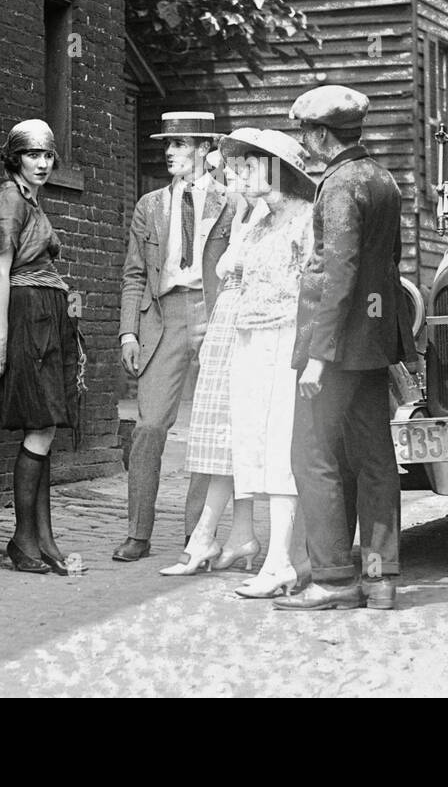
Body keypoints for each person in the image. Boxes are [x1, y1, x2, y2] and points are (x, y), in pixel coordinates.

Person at [273, 85, 417, 612]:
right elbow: (387, 267)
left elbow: (340, 272)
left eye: (305, 133)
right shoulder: (382, 179)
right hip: (374, 344)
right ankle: (379, 578)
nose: (304, 143)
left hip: (333, 348)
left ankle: (333, 578)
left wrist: (318, 354)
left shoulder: (336, 185)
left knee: (312, 455)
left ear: (319, 134)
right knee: (375, 458)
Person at [161, 129, 315, 598]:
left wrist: (311, 356)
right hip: (249, 337)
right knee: (249, 445)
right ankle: (264, 552)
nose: (241, 173)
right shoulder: (261, 221)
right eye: (241, 164)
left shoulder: (306, 220)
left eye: (253, 165)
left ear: (279, 171)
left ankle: (282, 559)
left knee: (280, 446)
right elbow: (230, 270)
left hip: (285, 337)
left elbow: (316, 286)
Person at [114, 112, 236, 562]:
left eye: (180, 144)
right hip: (160, 316)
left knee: (207, 429)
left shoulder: (230, 200)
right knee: (148, 427)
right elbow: (132, 274)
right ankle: (138, 533)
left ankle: (195, 536)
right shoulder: (149, 205)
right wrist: (129, 330)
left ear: (204, 149)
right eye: (167, 145)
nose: (169, 152)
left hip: (213, 314)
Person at [0, 119, 84, 575]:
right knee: (40, 425)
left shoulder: (30, 199)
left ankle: (43, 539)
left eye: (47, 156)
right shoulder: (10, 197)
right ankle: (22, 540)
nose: (42, 164)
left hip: (47, 311)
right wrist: (3, 336)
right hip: (28, 314)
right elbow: (0, 270)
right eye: (33, 155)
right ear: (16, 159)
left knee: (45, 425)